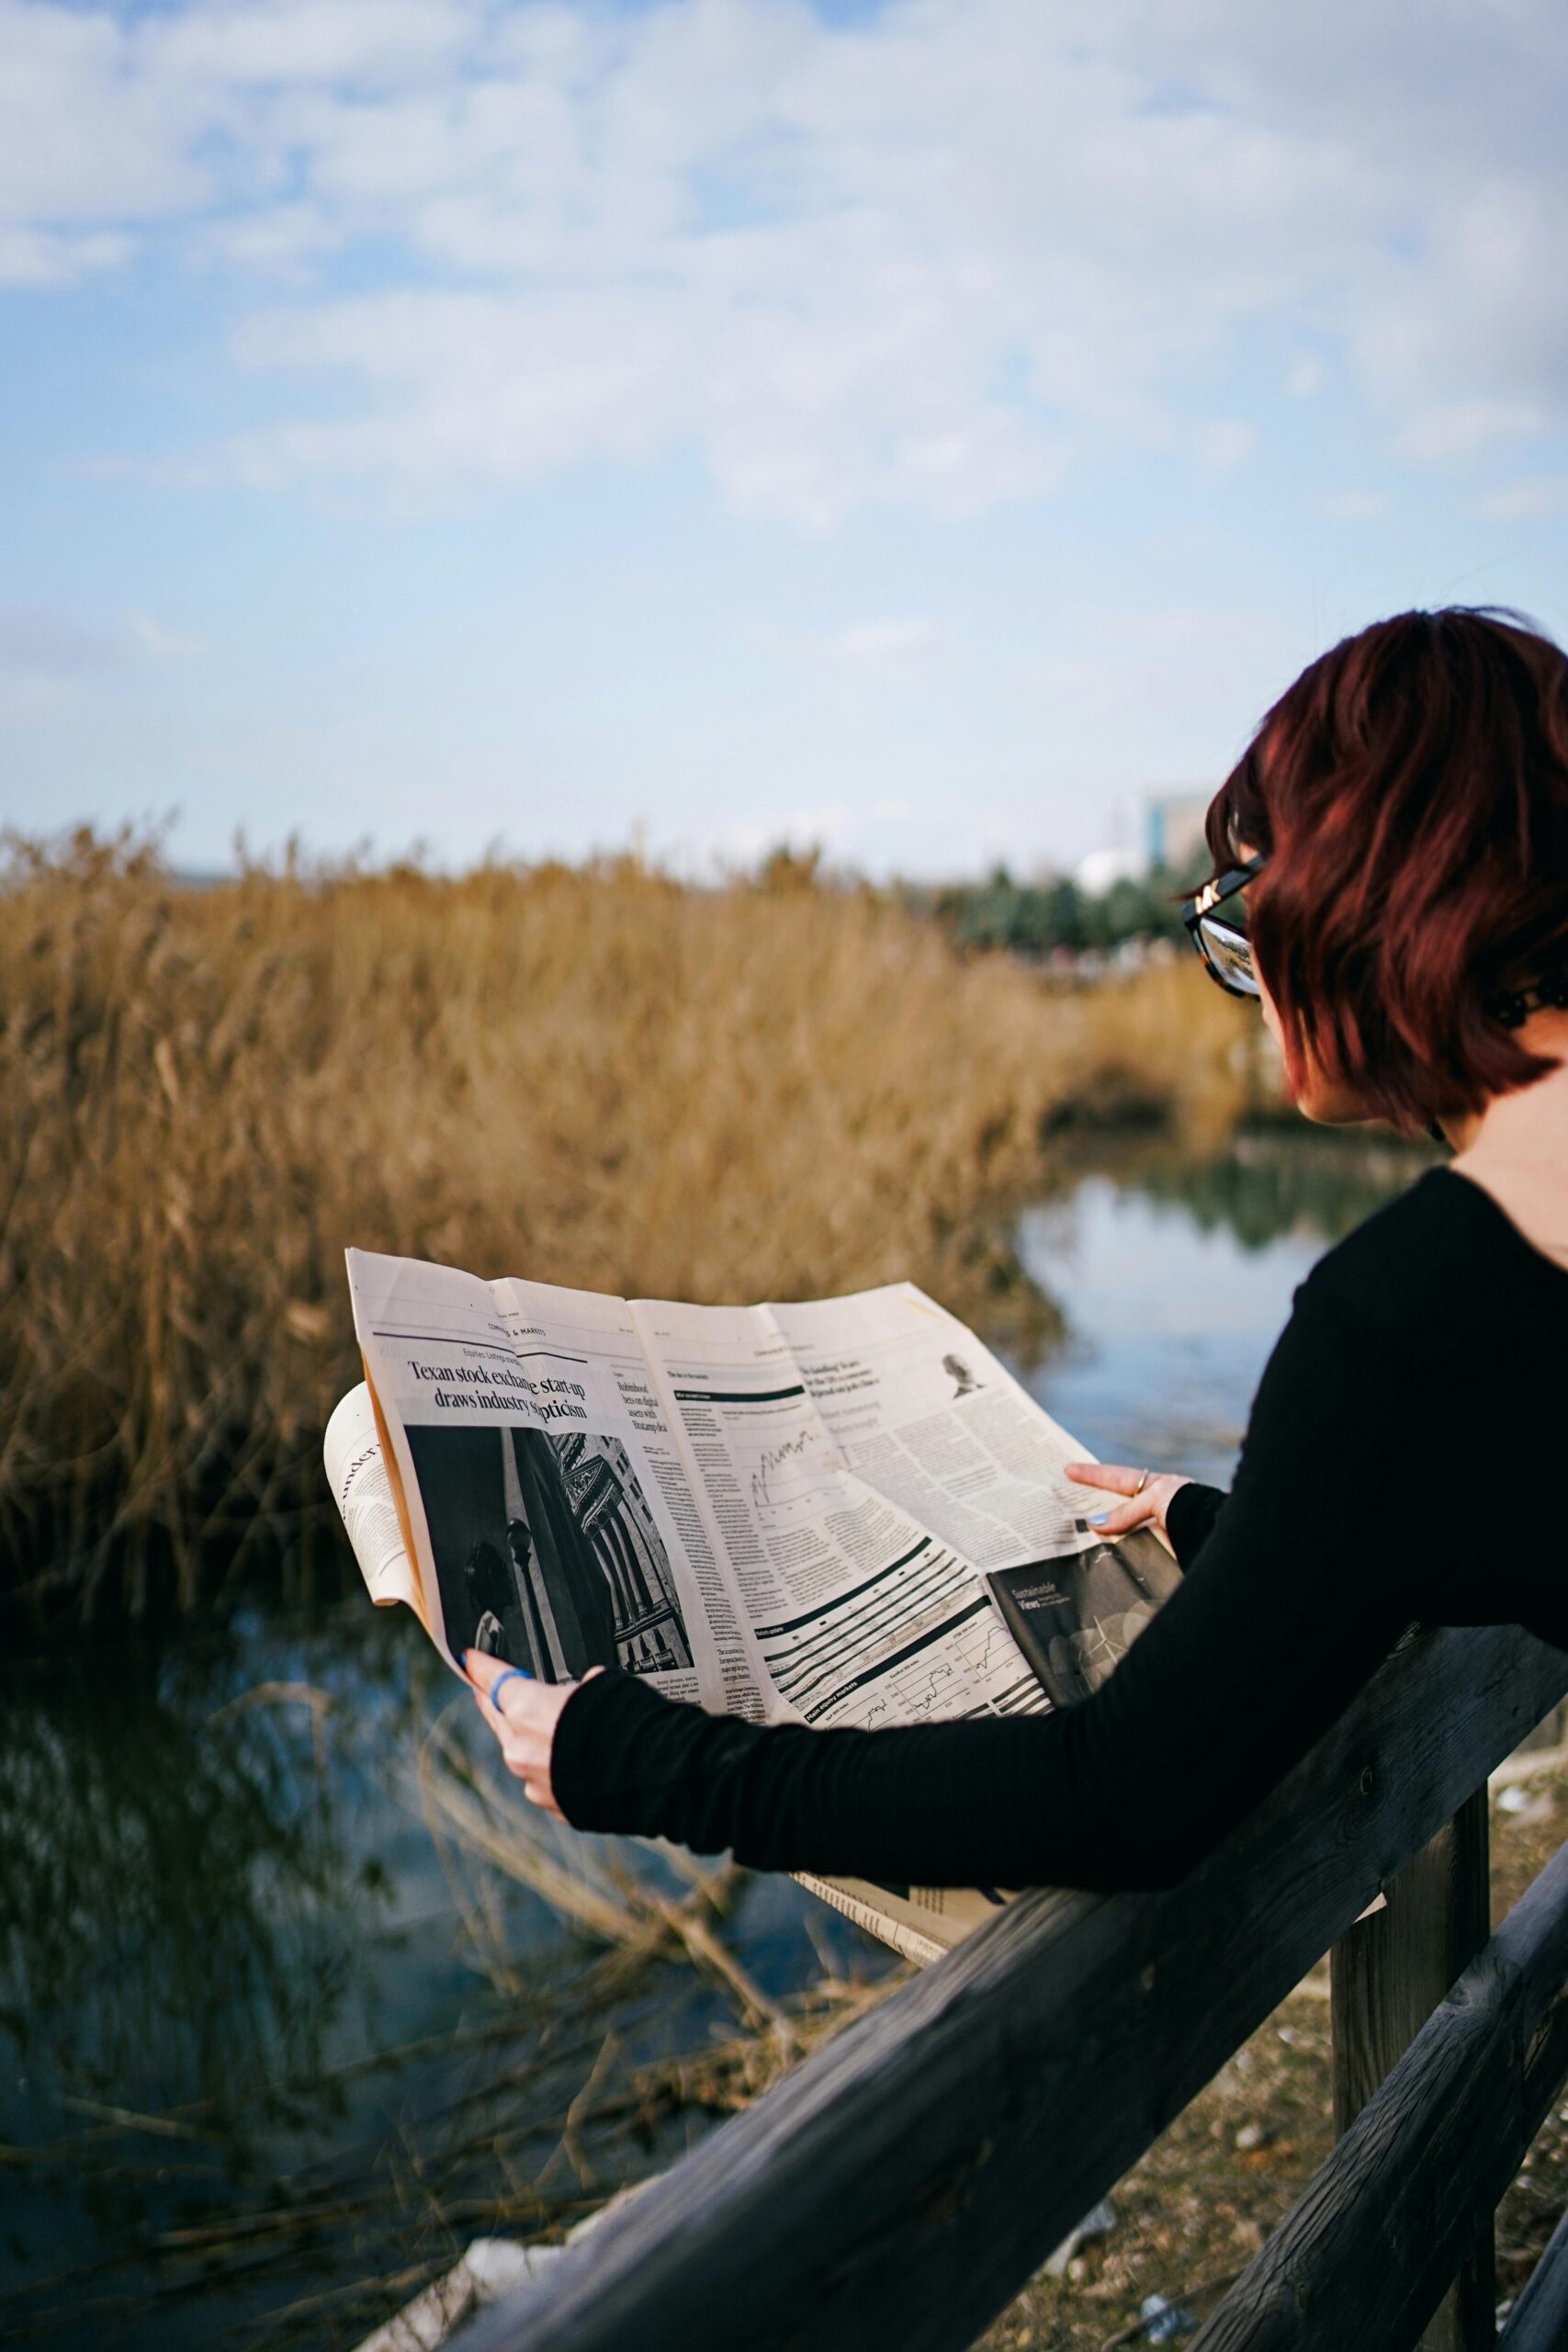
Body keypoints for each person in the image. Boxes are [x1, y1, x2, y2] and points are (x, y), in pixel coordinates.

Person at [463, 607, 1568, 1894]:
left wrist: (646, 1763)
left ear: (1372, 896)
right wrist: (1260, 1531)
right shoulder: (1460, 1314)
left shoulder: (1404, 1316)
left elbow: (1116, 1798)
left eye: (1251, 904)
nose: (1249, 966)